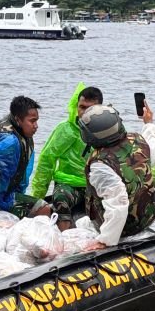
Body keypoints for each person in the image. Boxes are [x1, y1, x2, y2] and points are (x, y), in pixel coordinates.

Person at [78, 102, 155, 247]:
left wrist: (104, 241)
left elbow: (118, 203)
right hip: (147, 218)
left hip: (126, 229)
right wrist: (149, 124)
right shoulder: (138, 140)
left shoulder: (100, 164)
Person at [29, 84, 104, 230]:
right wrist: (37, 197)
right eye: (81, 107)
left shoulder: (107, 129)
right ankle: (66, 237)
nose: (84, 112)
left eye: (90, 108)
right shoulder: (66, 130)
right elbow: (46, 160)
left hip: (96, 185)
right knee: (61, 200)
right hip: (69, 184)